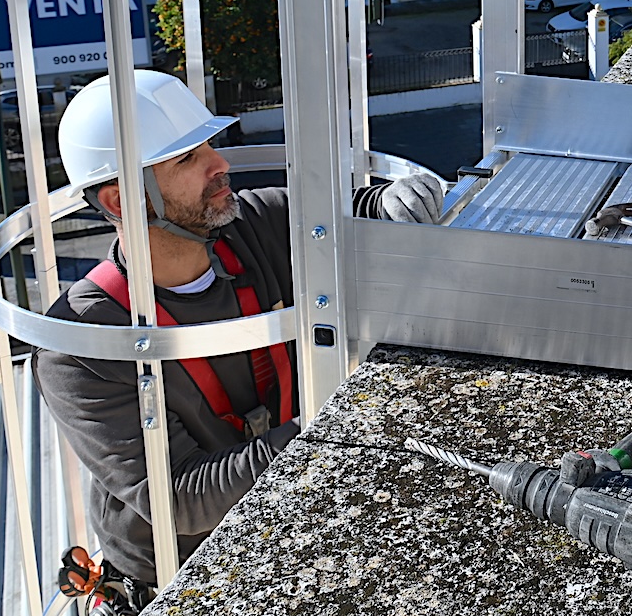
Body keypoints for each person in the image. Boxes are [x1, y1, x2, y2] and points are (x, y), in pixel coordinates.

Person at [34, 70, 445, 608]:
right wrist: (332, 432)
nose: (219, 164)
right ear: (122, 201)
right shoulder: (82, 347)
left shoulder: (253, 227)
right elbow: (179, 498)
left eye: (209, 145)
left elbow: (353, 209)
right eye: (186, 159)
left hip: (294, 508)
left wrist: (398, 202)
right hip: (188, 573)